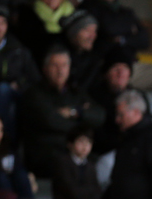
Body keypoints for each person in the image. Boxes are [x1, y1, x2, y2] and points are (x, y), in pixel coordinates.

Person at [22, 46, 107, 179]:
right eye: (55, 66)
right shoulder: (34, 94)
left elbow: (99, 116)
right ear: (45, 69)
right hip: (46, 156)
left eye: (64, 65)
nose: (60, 71)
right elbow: (51, 120)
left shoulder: (75, 93)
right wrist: (82, 121)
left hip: (75, 153)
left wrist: (74, 112)